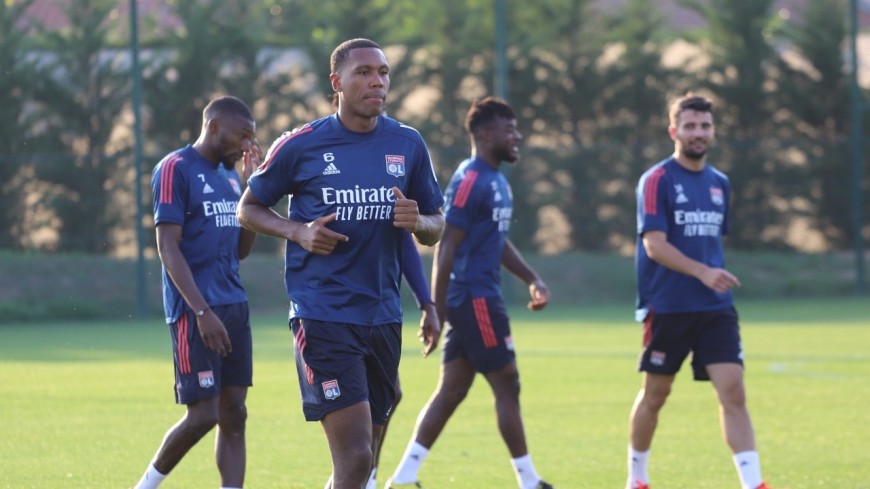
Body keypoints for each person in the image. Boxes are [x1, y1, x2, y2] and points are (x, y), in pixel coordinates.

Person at [235, 38, 445, 489]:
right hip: (323, 315)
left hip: (383, 317)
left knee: (361, 461)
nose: (377, 81)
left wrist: (419, 222)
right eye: (364, 72)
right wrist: (298, 231)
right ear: (337, 82)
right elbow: (247, 209)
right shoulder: (301, 144)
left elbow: (436, 224)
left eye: (383, 72)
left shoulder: (407, 143)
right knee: (355, 457)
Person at [385, 96, 553, 489]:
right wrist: (436, 308)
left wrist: (531, 277)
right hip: (475, 298)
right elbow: (445, 245)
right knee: (507, 381)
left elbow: (497, 241)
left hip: (475, 298)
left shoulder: (496, 180)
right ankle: (529, 481)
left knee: (452, 389)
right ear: (485, 134)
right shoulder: (470, 179)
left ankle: (404, 477)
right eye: (509, 130)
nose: (517, 136)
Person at [627, 93, 770, 489]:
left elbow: (710, 243)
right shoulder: (656, 180)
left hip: (715, 307)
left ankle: (753, 483)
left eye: (705, 126)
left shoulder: (720, 183)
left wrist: (711, 277)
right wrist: (703, 272)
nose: (698, 133)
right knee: (655, 395)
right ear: (673, 131)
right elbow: (654, 245)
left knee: (733, 392)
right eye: (690, 126)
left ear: (714, 131)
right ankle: (636, 478)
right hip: (668, 306)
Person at [133, 95, 261, 489]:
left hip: (234, 305)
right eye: (242, 136)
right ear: (214, 127)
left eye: (251, 138)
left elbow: (241, 250)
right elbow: (167, 246)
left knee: (234, 413)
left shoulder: (229, 177)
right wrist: (202, 312)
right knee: (204, 414)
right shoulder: (175, 168)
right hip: (196, 311)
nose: (247, 146)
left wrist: (253, 190)